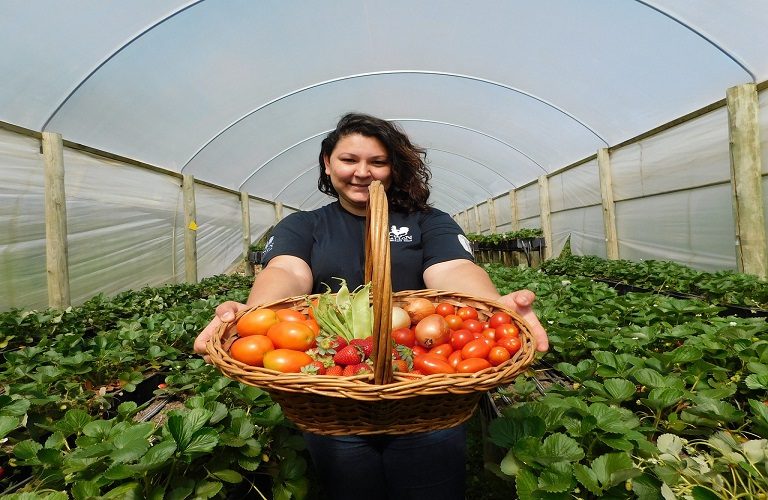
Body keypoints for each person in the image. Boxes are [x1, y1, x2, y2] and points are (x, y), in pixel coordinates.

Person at [194, 112, 549, 499]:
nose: (362, 172)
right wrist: (254, 317)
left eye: (377, 162)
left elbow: (453, 270)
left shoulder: (429, 222)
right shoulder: (303, 226)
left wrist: (493, 304)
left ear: (392, 168)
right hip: (332, 395)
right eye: (349, 160)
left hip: (423, 394)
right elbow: (286, 272)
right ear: (327, 164)